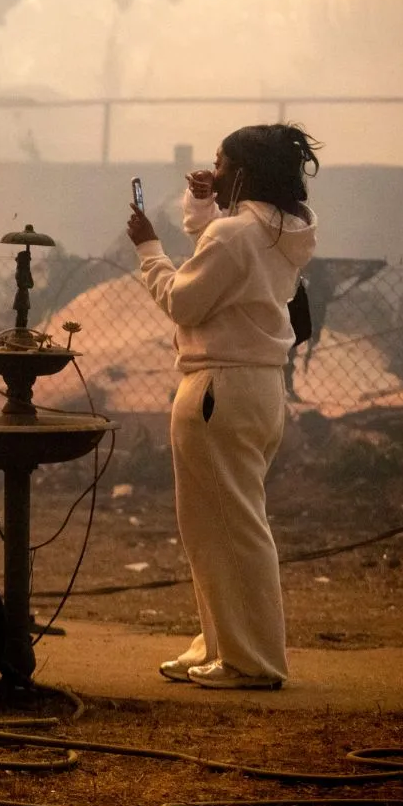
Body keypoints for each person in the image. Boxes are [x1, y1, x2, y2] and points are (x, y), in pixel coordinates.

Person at [125, 124, 320, 690]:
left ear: (246, 174)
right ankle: (220, 645)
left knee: (227, 529)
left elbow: (184, 299)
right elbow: (226, 250)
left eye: (222, 164)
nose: (214, 171)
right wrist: (206, 203)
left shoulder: (238, 237)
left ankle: (251, 660)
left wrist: (149, 249)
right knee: (221, 527)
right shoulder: (281, 232)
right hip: (257, 389)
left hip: (218, 389)